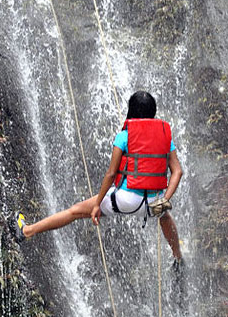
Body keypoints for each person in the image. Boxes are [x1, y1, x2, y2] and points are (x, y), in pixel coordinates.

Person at [13, 90, 184, 263]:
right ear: (153, 112)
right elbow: (178, 171)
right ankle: (177, 257)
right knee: (165, 217)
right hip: (153, 204)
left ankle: (27, 231)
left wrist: (97, 204)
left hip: (125, 200)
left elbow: (111, 174)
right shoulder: (165, 138)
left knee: (74, 211)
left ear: (131, 111)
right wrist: (165, 200)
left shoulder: (124, 137)